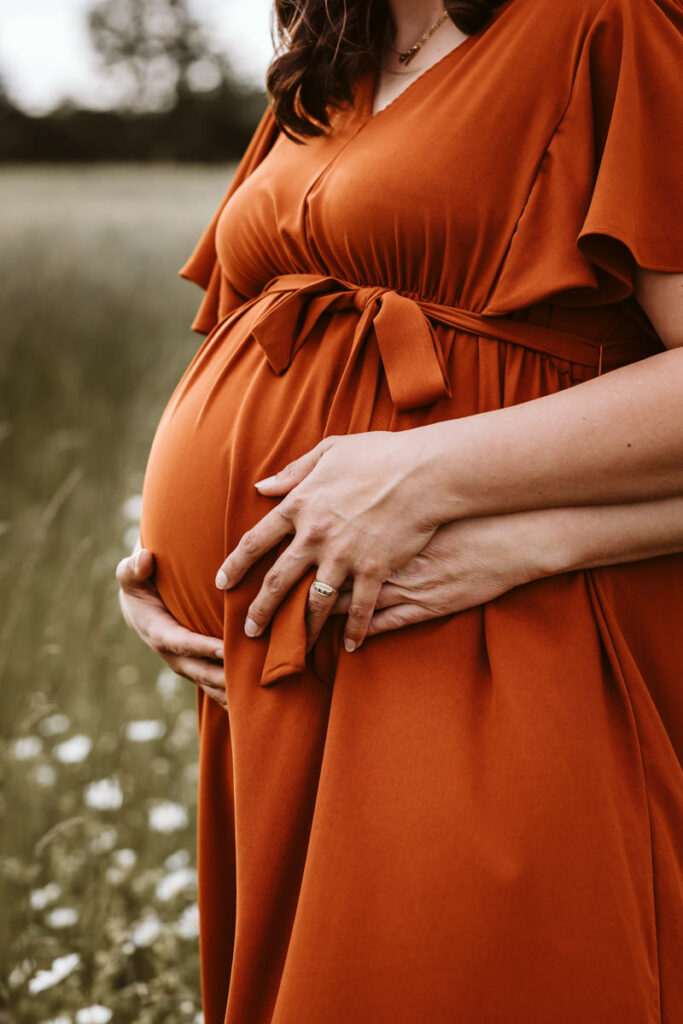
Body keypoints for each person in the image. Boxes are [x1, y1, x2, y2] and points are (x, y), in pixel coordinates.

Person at [116, 0, 683, 1020]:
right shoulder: (324, 64)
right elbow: (257, 342)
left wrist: (431, 473)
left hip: (489, 631)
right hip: (280, 682)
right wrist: (165, 572)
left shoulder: (605, 23)